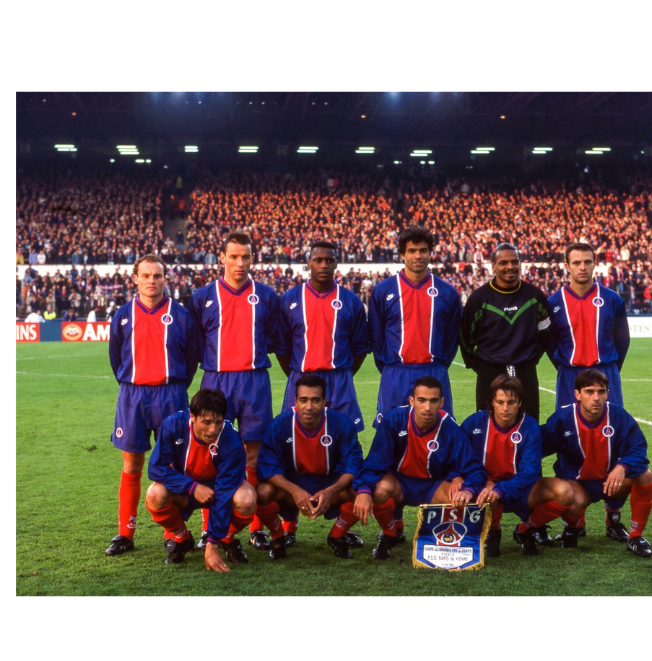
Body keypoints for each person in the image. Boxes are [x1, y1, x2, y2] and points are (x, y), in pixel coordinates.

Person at [190, 231, 281, 552]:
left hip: (254, 381)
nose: (239, 263)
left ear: (253, 258)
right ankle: (207, 528)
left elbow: (274, 338)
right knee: (210, 455)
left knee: (254, 455)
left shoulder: (268, 296)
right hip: (215, 381)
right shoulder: (203, 296)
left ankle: (255, 527)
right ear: (222, 259)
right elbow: (195, 340)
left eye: (245, 257)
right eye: (234, 256)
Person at [105, 254, 199, 556]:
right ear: (135, 279)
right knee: (131, 464)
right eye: (145, 276)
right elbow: (116, 358)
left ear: (165, 278)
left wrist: (174, 386)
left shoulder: (181, 315)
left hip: (171, 395)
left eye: (157, 276)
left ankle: (173, 533)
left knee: (171, 465)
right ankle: (125, 533)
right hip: (133, 396)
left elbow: (191, 358)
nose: (151, 281)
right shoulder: (122, 314)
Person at [352, 376, 485, 560]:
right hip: (400, 482)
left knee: (460, 494)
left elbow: (474, 469)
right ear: (412, 400)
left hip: (433, 486)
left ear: (442, 402)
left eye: (433, 401)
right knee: (379, 489)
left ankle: (445, 540)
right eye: (421, 400)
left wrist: (466, 487)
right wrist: (364, 490)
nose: (427, 407)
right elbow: (376, 461)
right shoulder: (394, 420)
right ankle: (391, 533)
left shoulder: (451, 428)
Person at [541, 369, 652, 557]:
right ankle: (574, 526)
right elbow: (538, 447)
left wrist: (622, 466)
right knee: (567, 496)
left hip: (609, 481)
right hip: (577, 484)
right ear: (577, 394)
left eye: (601, 391)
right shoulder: (562, 419)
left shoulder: (618, 416)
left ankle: (634, 535)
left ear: (607, 394)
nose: (596, 397)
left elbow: (639, 449)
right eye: (589, 391)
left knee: (644, 474)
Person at [461, 375, 579, 556]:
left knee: (565, 492)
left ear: (520, 402)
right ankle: (493, 533)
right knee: (481, 493)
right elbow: (462, 462)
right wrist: (482, 486)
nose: (505, 408)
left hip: (522, 487)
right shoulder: (473, 423)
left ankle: (526, 528)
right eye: (500, 402)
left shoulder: (530, 427)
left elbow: (530, 472)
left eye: (511, 402)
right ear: (492, 401)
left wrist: (500, 489)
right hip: (486, 486)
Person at [256, 376, 365, 560]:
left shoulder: (341, 423)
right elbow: (267, 465)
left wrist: (331, 491)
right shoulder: (281, 424)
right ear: (295, 401)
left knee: (362, 492)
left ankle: (337, 536)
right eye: (303, 400)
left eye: (315, 400)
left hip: (330, 483)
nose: (309, 407)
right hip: (293, 485)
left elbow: (353, 465)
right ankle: (277, 538)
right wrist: (295, 490)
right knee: (262, 492)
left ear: (324, 402)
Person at [145, 388, 255, 570]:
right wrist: (192, 486)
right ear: (192, 416)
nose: (213, 429)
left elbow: (224, 491)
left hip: (220, 488)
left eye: (218, 422)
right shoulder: (173, 425)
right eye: (206, 422)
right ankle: (182, 538)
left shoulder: (232, 440)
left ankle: (225, 538)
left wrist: (211, 543)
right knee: (155, 494)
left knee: (246, 498)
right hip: (186, 486)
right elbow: (156, 468)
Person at [368, 226, 461, 425]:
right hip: (395, 372)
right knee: (392, 433)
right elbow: (376, 337)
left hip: (433, 370)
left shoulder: (447, 292)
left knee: (437, 431)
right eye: (412, 250)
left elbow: (452, 337)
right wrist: (388, 368)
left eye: (423, 250)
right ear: (402, 254)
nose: (418, 256)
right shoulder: (383, 290)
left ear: (430, 253)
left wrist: (439, 364)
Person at [275, 241, 370, 430]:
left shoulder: (351, 301)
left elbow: (360, 349)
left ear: (336, 264)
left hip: (340, 380)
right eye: (318, 260)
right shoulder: (289, 299)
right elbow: (282, 348)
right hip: (301, 378)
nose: (324, 265)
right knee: (296, 438)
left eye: (329, 260)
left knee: (344, 439)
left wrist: (344, 374)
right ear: (309, 263)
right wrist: (301, 376)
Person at [460, 243, 553, 421]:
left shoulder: (534, 296)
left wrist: (533, 356)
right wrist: (481, 365)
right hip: (490, 372)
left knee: (528, 424)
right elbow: (465, 337)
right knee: (487, 426)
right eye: (503, 263)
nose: (510, 267)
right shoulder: (479, 299)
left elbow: (546, 329)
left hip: (525, 370)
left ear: (520, 264)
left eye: (514, 262)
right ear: (493, 267)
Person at [547, 242, 630, 409]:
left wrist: (610, 368)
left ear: (594, 264)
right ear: (567, 266)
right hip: (570, 375)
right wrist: (565, 366)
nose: (582, 267)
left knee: (609, 428)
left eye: (587, 262)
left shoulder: (612, 300)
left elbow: (623, 340)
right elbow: (550, 343)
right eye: (577, 263)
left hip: (605, 372)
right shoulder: (553, 303)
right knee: (567, 430)